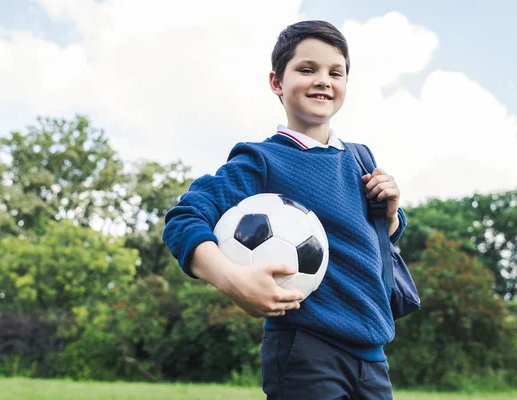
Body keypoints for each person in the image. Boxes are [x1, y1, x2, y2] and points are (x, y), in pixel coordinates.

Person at [162, 20, 406, 400]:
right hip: (306, 353)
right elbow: (184, 218)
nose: (323, 80)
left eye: (335, 72)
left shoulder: (361, 158)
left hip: (373, 358)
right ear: (276, 82)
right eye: (307, 69)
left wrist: (389, 216)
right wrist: (233, 280)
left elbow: (366, 242)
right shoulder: (261, 159)